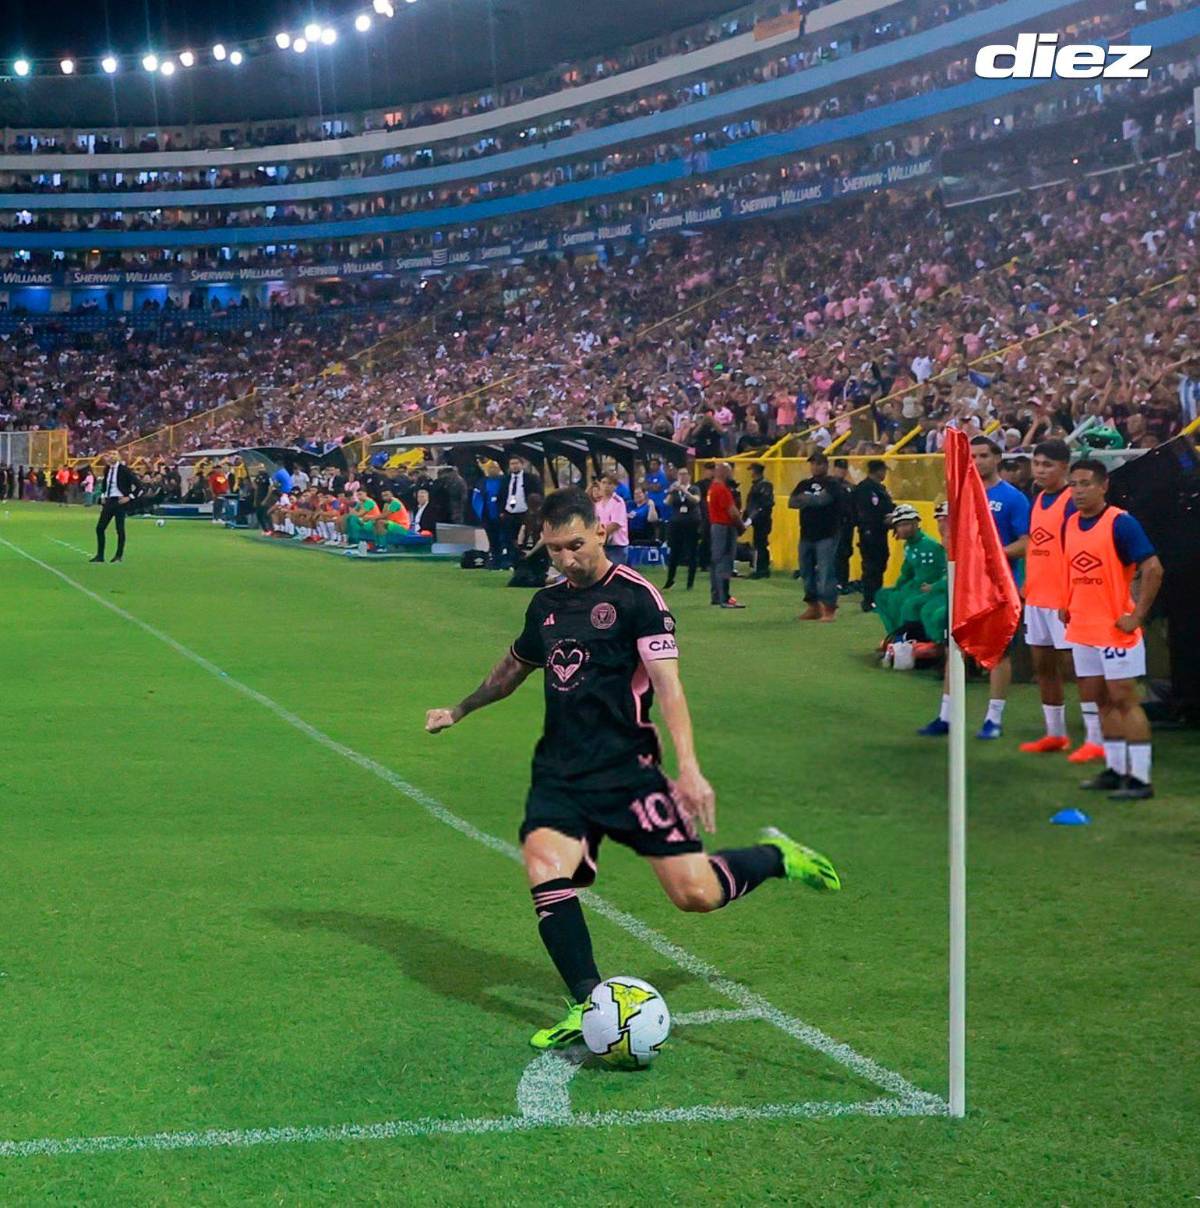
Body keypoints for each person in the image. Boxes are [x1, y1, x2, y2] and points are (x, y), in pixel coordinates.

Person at [424, 486, 840, 1051]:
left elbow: (669, 687)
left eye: (575, 545)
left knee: (694, 895)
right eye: (553, 550)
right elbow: (512, 669)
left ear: (602, 531)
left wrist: (689, 768)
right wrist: (459, 708)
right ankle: (589, 1003)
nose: (566, 559)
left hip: (629, 769)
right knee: (546, 866)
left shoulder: (638, 598)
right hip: (564, 772)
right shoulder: (546, 605)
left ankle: (777, 857)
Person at [1062, 459, 1163, 801]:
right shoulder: (1071, 524)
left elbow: (1153, 568)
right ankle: (1116, 769)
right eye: (1074, 484)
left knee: (1124, 699)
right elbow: (1073, 569)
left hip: (1115, 629)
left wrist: (1138, 615)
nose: (1078, 490)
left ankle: (1140, 778)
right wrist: (1068, 602)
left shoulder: (1121, 523)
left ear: (1103, 486)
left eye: (1085, 483)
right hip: (1084, 628)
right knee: (1099, 699)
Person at [922, 436, 1029, 739]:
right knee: (954, 648)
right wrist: (946, 536)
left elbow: (1025, 543)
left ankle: (993, 719)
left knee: (998, 653)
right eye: (974, 456)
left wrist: (991, 554)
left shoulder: (1013, 498)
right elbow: (953, 544)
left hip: (998, 587)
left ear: (997, 458)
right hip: (965, 587)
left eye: (984, 455)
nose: (978, 461)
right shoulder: (962, 496)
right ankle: (946, 715)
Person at [1018, 439, 1104, 761]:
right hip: (1037, 598)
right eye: (1037, 463)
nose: (1040, 470)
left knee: (1079, 668)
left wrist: (1075, 593)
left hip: (1065, 600)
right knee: (1044, 667)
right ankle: (1055, 735)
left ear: (1064, 468)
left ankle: (1095, 738)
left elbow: (1082, 548)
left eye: (1047, 465)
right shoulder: (1037, 498)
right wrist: (1028, 582)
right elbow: (1036, 545)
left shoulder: (1071, 502)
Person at [874, 506, 947, 641]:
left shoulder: (928, 545)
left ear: (916, 523)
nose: (902, 529)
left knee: (909, 604)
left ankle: (908, 639)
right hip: (916, 585)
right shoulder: (908, 545)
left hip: (930, 587)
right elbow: (906, 571)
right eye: (899, 525)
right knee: (883, 595)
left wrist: (931, 587)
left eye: (906, 524)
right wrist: (898, 587)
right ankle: (894, 634)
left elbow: (930, 575)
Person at [788, 452, 846, 622]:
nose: (815, 467)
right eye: (812, 463)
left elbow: (824, 500)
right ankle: (813, 606)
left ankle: (829, 608)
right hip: (806, 534)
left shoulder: (833, 483)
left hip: (827, 534)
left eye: (819, 463)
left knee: (826, 572)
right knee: (806, 572)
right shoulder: (804, 483)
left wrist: (806, 499)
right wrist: (813, 499)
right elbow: (791, 502)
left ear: (826, 465)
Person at [852, 460, 894, 612]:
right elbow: (866, 512)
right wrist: (883, 519)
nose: (885, 474)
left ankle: (875, 597)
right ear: (878, 471)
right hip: (870, 531)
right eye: (883, 471)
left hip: (879, 531)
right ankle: (869, 600)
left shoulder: (879, 488)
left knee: (879, 563)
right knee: (871, 566)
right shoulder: (865, 489)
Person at [91, 451, 141, 564]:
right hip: (109, 501)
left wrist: (129, 497)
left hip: (120, 502)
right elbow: (105, 484)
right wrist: (103, 495)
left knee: (119, 529)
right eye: (109, 455)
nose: (111, 457)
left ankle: (118, 555)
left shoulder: (124, 470)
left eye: (114, 454)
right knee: (100, 528)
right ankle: (100, 555)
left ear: (118, 457)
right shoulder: (107, 469)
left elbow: (139, 486)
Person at [707, 463, 745, 608]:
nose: (731, 475)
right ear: (723, 473)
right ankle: (725, 597)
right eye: (729, 472)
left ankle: (716, 595)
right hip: (725, 527)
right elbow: (733, 512)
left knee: (716, 561)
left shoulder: (712, 489)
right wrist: (741, 526)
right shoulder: (722, 490)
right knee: (725, 560)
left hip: (715, 527)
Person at [499, 456, 543, 570]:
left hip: (525, 513)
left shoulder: (531, 479)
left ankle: (529, 561)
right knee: (510, 539)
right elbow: (501, 496)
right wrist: (502, 511)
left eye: (516, 463)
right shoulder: (505, 479)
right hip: (509, 513)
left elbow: (538, 495)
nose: (514, 466)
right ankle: (512, 562)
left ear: (522, 464)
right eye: (512, 464)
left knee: (526, 538)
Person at [662, 467, 701, 590]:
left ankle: (690, 582)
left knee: (691, 553)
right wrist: (671, 491)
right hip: (676, 523)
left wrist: (685, 492)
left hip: (691, 523)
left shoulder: (694, 488)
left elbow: (696, 500)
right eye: (680, 474)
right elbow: (667, 503)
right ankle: (670, 580)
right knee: (674, 552)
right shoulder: (675, 490)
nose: (682, 477)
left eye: (684, 474)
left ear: (689, 476)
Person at [745, 463, 775, 579]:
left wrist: (752, 516)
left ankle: (759, 569)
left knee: (760, 544)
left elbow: (763, 504)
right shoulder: (757, 485)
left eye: (752, 470)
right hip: (758, 518)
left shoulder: (764, 485)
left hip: (762, 519)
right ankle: (763, 568)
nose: (750, 473)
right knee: (760, 543)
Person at [830, 458, 855, 591]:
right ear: (834, 469)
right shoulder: (829, 484)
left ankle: (842, 581)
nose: (842, 471)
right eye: (839, 468)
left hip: (847, 525)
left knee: (844, 552)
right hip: (833, 524)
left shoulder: (850, 487)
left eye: (844, 468)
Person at [595, 474, 630, 566]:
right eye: (604, 483)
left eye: (609, 483)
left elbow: (615, 524)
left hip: (617, 546)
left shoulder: (618, 502)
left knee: (615, 573)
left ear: (615, 486)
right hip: (602, 544)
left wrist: (599, 534)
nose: (606, 486)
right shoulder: (598, 504)